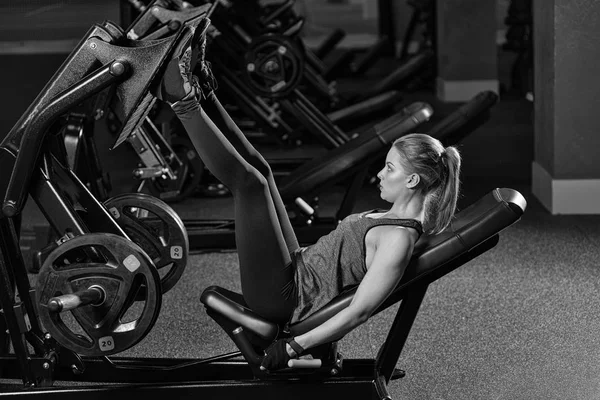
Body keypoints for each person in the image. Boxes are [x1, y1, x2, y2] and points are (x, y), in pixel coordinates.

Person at [157, 33, 462, 372]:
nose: (379, 174)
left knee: (251, 186)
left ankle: (181, 98)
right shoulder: (394, 220)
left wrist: (293, 346)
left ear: (412, 180)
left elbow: (359, 311)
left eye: (389, 168)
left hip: (285, 297)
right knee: (263, 172)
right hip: (297, 268)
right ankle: (204, 90)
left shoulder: (398, 240)